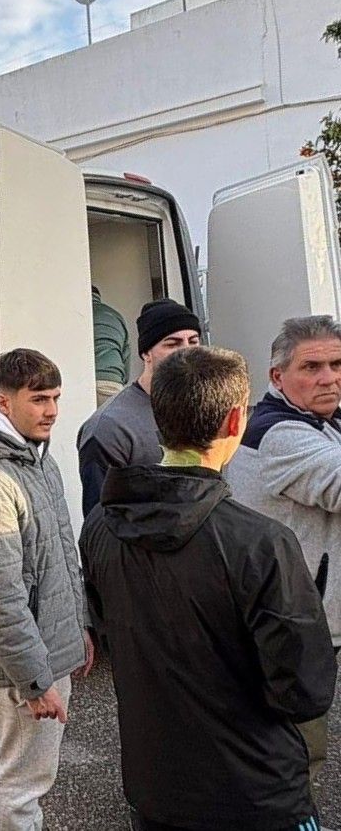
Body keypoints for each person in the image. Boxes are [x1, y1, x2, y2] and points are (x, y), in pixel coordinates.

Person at [81, 346, 336, 831]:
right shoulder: (260, 543)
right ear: (236, 420)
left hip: (156, 789)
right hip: (257, 795)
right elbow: (305, 690)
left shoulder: (100, 525)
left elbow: (115, 630)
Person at [0, 348, 94, 831]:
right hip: (23, 669)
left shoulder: (35, 459)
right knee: (22, 781)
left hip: (47, 651)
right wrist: (34, 680)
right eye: (38, 399)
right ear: (3, 403)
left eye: (55, 397)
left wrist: (80, 628)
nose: (51, 410)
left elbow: (60, 557)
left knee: (33, 775)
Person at [226, 314, 341, 789]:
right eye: (311, 367)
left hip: (316, 617)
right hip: (298, 623)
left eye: (337, 364)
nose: (329, 377)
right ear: (277, 377)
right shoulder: (278, 433)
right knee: (298, 754)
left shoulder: (321, 421)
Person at [77, 298, 201, 516]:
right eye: (172, 344)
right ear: (146, 353)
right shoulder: (110, 427)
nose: (186, 352)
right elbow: (99, 523)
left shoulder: (205, 409)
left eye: (193, 341)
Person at [92, 286, 130, 405]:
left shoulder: (80, 314)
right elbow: (126, 359)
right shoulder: (116, 316)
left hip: (90, 384)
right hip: (115, 385)